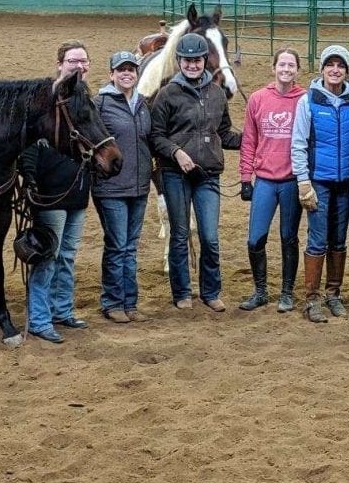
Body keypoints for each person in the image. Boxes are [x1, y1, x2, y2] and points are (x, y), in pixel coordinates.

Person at [150, 32, 241, 311]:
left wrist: (256, 139)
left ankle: (211, 292)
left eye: (197, 60)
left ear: (205, 61)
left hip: (208, 175)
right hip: (175, 174)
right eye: (187, 60)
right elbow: (156, 135)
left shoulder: (216, 94)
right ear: (179, 61)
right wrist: (177, 153)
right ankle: (182, 293)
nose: (192, 65)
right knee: (179, 234)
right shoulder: (166, 94)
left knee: (210, 236)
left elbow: (223, 133)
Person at [19, 40, 93, 344]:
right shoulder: (44, 100)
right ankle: (39, 318)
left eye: (84, 61)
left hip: (77, 190)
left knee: (68, 256)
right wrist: (31, 181)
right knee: (47, 256)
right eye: (73, 61)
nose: (79, 66)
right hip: (50, 194)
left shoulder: (86, 99)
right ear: (60, 64)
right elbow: (26, 147)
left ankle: (62, 310)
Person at [290, 44, 349, 323]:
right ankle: (312, 297)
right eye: (330, 65)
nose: (335, 70)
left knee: (339, 239)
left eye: (340, 65)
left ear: (346, 70)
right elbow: (298, 143)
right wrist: (303, 181)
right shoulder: (308, 101)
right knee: (317, 239)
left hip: (345, 182)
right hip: (318, 181)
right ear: (322, 69)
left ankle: (334, 293)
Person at [238, 48, 307, 313]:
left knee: (289, 237)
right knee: (255, 238)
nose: (286, 69)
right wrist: (246, 177)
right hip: (265, 179)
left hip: (291, 180)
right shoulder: (257, 99)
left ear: (297, 70)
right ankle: (260, 290)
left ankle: (287, 292)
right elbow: (249, 140)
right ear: (273, 67)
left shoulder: (304, 100)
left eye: (291, 65)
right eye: (282, 64)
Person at [92, 50, 153, 324]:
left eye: (131, 69)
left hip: (139, 186)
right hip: (111, 187)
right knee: (117, 246)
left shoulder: (143, 104)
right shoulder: (100, 104)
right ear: (111, 74)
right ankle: (112, 302)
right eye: (121, 70)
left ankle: (130, 303)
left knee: (130, 247)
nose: (127, 74)